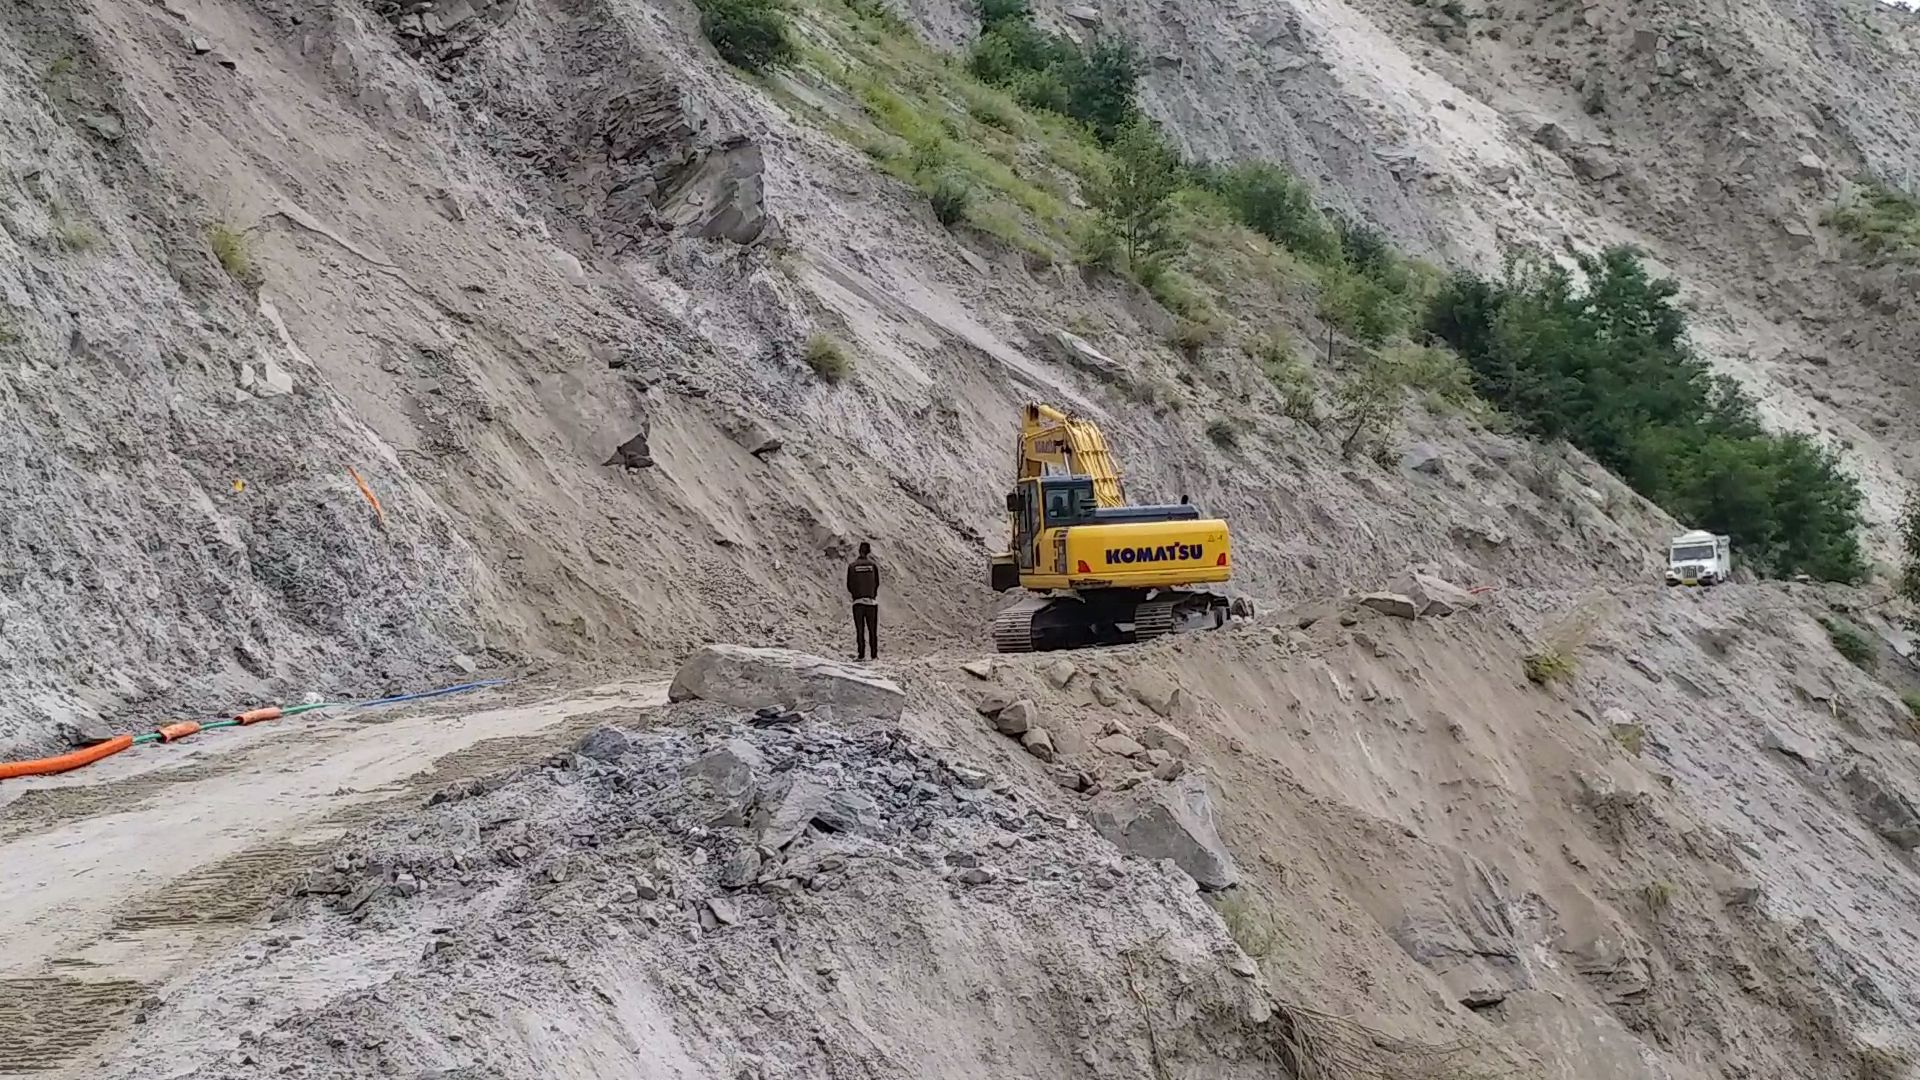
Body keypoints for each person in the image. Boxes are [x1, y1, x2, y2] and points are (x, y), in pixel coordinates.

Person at [846, 541, 881, 661]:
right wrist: (872, 594)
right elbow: (877, 583)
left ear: (859, 551)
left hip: (858, 603)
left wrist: (856, 595)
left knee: (860, 630)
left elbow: (849, 585)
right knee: (872, 630)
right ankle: (874, 655)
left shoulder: (852, 566)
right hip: (871, 603)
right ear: (869, 552)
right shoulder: (873, 566)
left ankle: (861, 655)